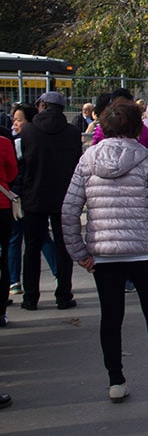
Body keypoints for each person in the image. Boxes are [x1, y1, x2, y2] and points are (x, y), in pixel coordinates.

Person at [61, 99, 148, 403]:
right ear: (135, 126)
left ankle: (116, 380)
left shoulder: (87, 160)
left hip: (105, 254)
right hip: (146, 252)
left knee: (110, 317)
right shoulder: (147, 160)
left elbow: (69, 211)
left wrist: (80, 252)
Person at [20, 91, 81, 311]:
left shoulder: (28, 131)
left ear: (42, 106)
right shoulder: (72, 133)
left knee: (32, 248)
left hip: (33, 196)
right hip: (63, 197)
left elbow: (24, 164)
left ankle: (30, 297)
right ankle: (64, 295)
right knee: (63, 247)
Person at [8, 103, 58, 296]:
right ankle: (58, 273)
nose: (15, 124)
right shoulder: (39, 140)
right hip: (32, 196)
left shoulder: (20, 142)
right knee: (42, 236)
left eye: (19, 120)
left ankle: (15, 281)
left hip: (20, 197)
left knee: (17, 239)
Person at [0, 134, 18, 326]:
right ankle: (1, 310)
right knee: (2, 258)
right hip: (2, 206)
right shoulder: (4, 143)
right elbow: (12, 172)